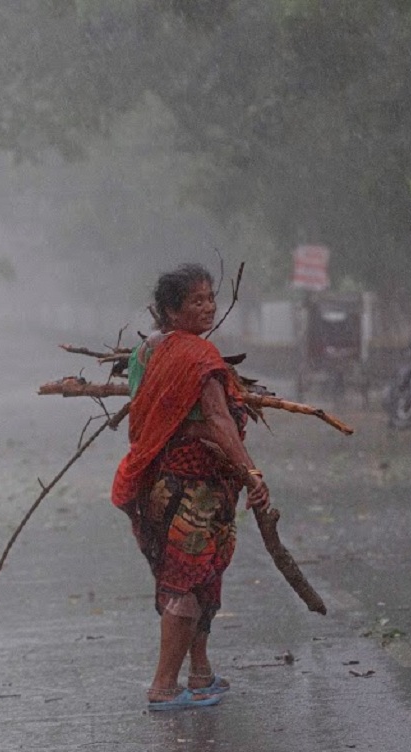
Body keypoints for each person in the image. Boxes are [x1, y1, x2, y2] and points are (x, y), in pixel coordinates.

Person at [112, 264, 271, 710]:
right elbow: (218, 420)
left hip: (157, 486)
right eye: (195, 301)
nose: (207, 307)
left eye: (209, 299)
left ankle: (199, 673)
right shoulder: (198, 357)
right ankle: (164, 687)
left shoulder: (145, 353)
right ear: (169, 310)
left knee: (199, 578)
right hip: (193, 489)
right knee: (185, 583)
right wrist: (251, 472)